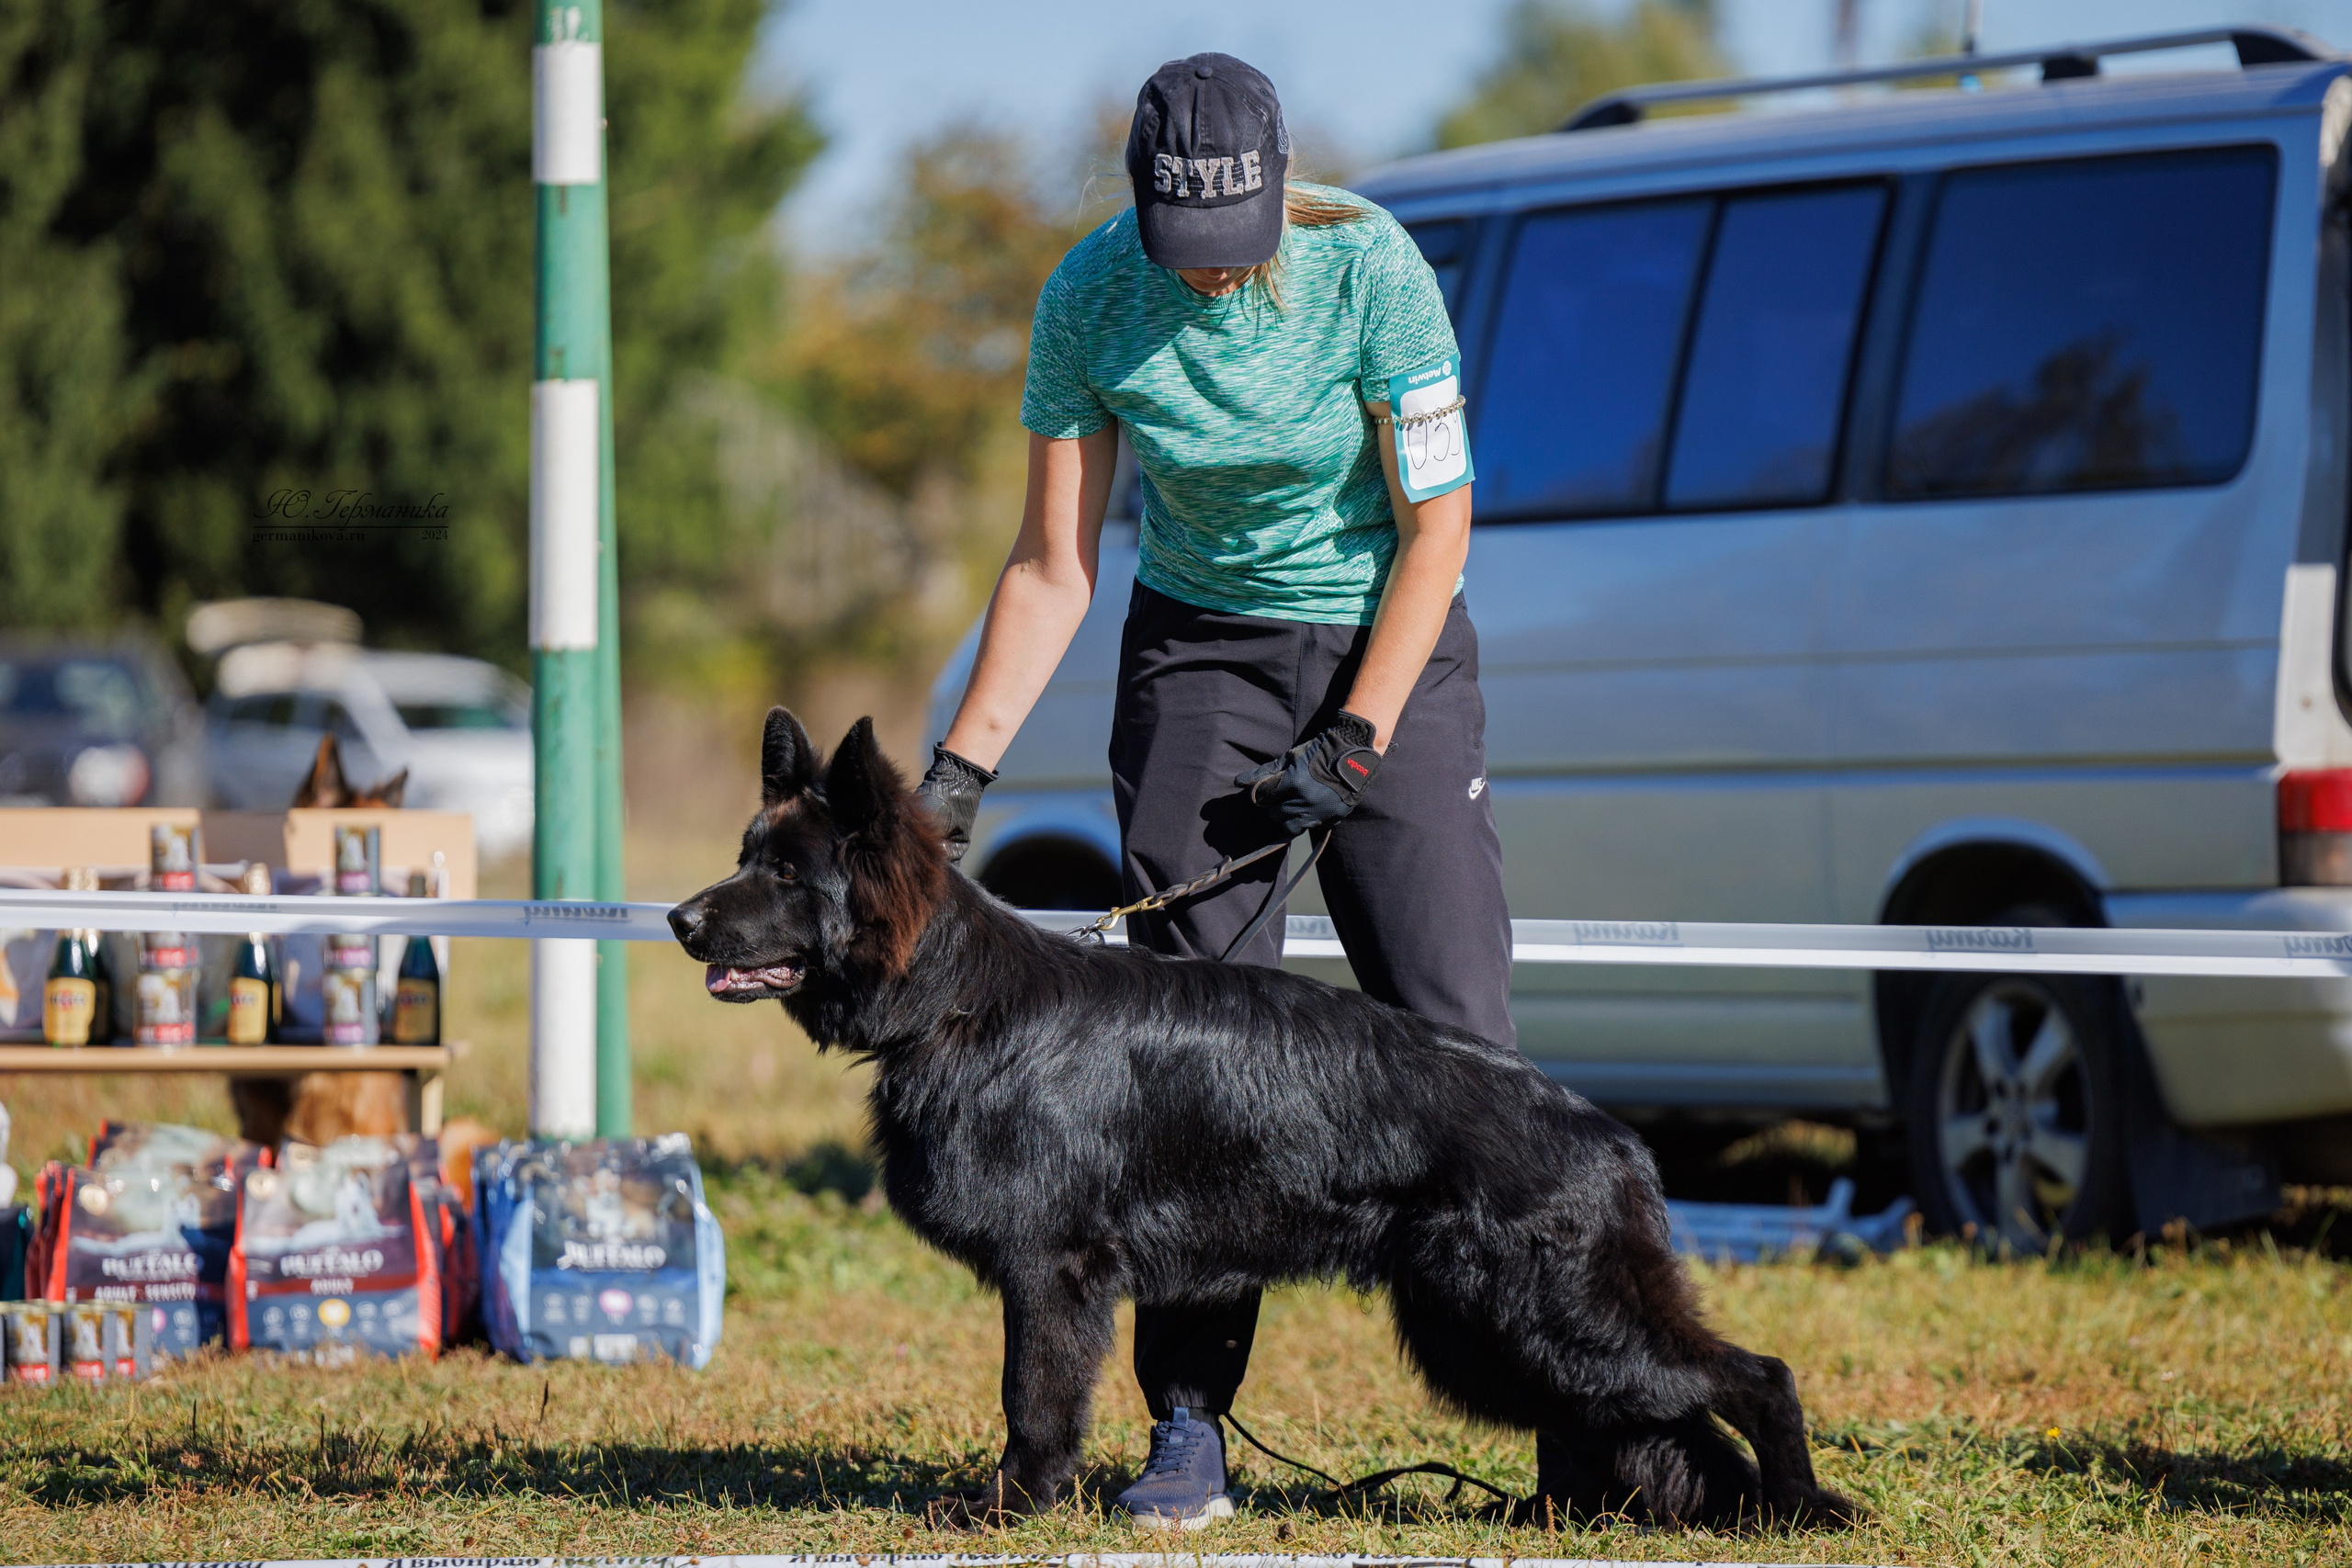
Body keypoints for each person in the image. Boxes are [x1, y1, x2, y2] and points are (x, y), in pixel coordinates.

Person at [917, 51, 1512, 1529]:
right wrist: (956, 774)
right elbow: (1052, 565)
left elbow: (1439, 529)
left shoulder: (1372, 267)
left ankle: (1567, 1409)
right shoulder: (1088, 298)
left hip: (1388, 637)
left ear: (1281, 191)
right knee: (1188, 1053)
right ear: (1139, 210)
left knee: (1458, 1035)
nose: (1214, 275)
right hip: (1200, 650)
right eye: (1187, 248)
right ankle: (1189, 1423)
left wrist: (1359, 734)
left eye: (1237, 245)